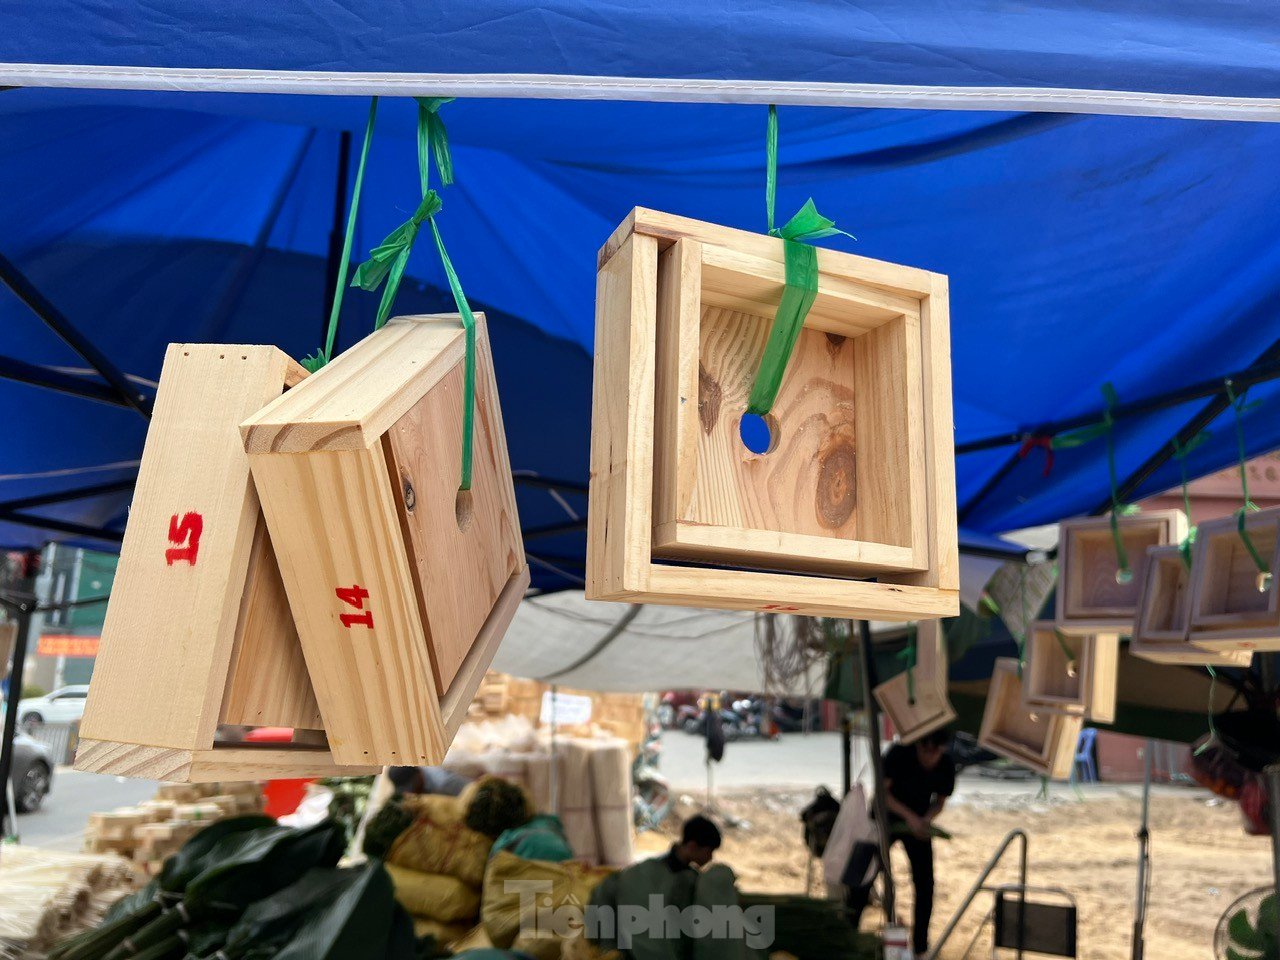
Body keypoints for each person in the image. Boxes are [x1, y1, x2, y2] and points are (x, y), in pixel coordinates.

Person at [846, 728, 955, 958]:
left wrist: (925, 819)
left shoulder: (945, 764)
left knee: (925, 883)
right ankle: (847, 931)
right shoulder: (899, 754)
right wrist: (910, 817)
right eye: (926, 750)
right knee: (863, 875)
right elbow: (882, 795)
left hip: (917, 823)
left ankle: (920, 946)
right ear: (918, 746)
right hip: (885, 817)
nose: (930, 756)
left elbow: (940, 801)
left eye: (935, 752)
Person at [588, 814, 722, 959]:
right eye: (709, 852)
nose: (710, 858)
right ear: (692, 846)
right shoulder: (646, 874)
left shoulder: (691, 877)